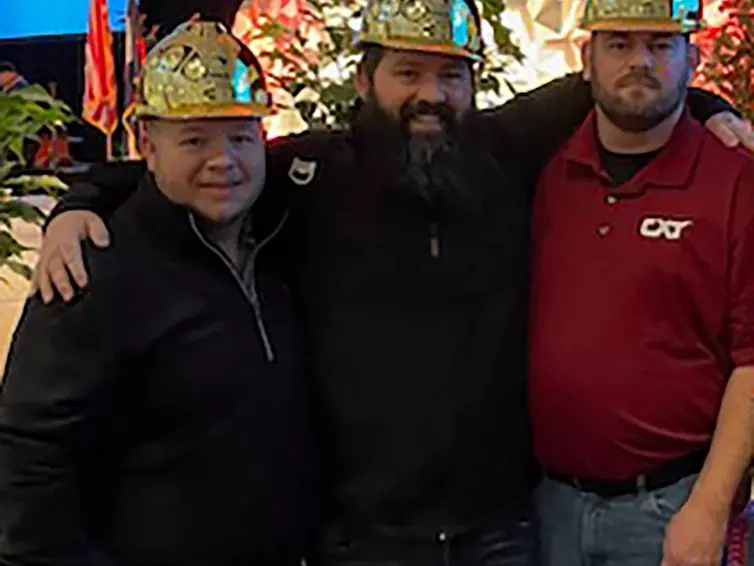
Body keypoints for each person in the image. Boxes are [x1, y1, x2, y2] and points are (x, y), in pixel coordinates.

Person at [25, 1, 754, 564]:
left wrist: (713, 108)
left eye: (449, 74)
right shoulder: (306, 176)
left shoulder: (506, 151)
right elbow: (208, 155)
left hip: (504, 531)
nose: (429, 94)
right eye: (407, 71)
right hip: (363, 542)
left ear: (473, 83)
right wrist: (79, 200)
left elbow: (629, 84)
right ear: (365, 79)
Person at [0, 21, 317, 566]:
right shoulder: (90, 267)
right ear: (147, 143)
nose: (224, 160)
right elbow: (29, 460)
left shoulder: (283, 229)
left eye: (241, 137)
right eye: (194, 139)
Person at [528, 0, 754, 565]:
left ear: (692, 59)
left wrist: (708, 507)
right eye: (620, 44)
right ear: (587, 59)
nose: (640, 62)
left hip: (673, 507)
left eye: (660, 45)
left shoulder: (737, 181)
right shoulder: (545, 171)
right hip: (546, 508)